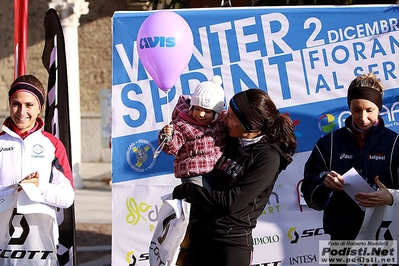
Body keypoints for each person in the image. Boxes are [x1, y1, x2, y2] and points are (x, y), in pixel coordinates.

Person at [172, 88, 297, 266]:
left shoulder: (268, 157)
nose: (224, 119)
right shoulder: (230, 140)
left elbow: (231, 203)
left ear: (248, 124)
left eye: (230, 117)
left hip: (230, 244)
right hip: (201, 237)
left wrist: (189, 190)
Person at [301, 73, 399, 265]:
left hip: (383, 237)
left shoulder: (395, 143)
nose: (363, 117)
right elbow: (310, 195)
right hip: (341, 239)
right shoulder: (328, 144)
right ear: (349, 108)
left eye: (370, 110)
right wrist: (325, 183)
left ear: (379, 107)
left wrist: (391, 197)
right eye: (356, 110)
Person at [0, 74, 75, 265]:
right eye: (16, 104)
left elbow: (67, 198)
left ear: (40, 108)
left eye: (29, 105)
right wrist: (11, 189)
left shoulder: (52, 144)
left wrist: (38, 187)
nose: (21, 111)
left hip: (40, 252)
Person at [158, 75, 227, 188]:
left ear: (217, 113)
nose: (201, 114)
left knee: (219, 201)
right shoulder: (182, 124)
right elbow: (172, 149)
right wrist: (168, 137)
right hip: (194, 173)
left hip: (218, 170)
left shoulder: (222, 122)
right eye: (197, 109)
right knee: (202, 200)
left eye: (207, 111)